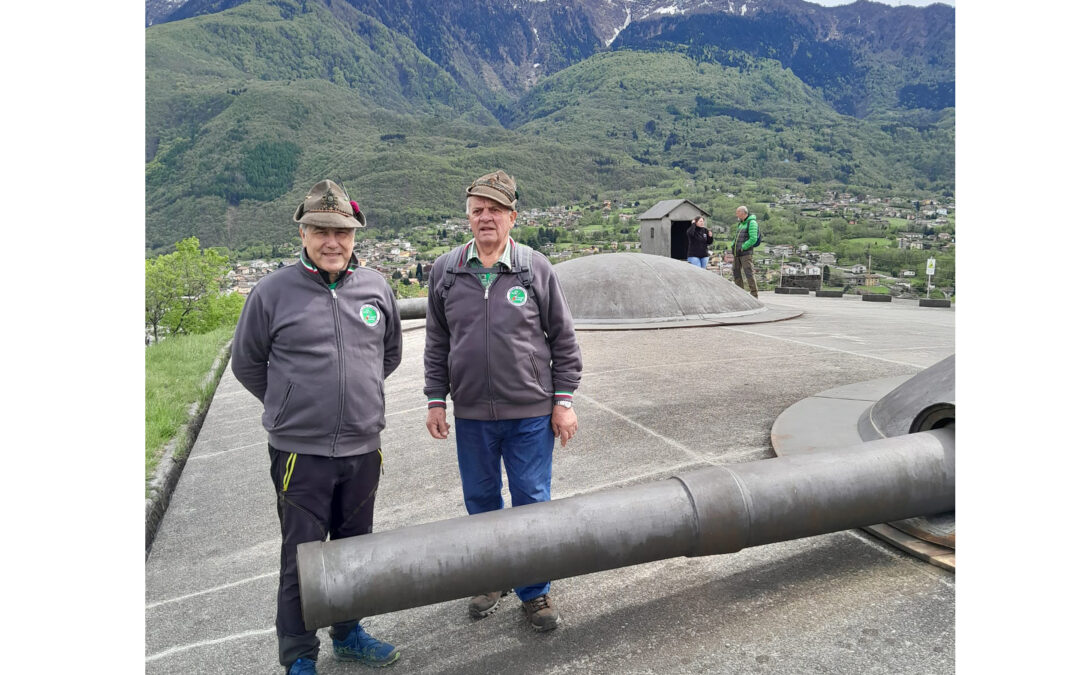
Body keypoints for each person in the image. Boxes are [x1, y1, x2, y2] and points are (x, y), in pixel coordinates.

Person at [231, 179, 403, 675]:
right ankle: (299, 658)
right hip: (299, 455)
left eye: (342, 232)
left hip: (362, 448)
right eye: (321, 230)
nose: (333, 241)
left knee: (354, 553)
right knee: (301, 560)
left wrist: (355, 399)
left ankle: (348, 634)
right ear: (303, 233)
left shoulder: (375, 287)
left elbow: (386, 355)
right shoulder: (271, 292)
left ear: (355, 236)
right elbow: (248, 364)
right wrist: (291, 407)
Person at [423, 169, 583, 632]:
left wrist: (563, 401)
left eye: (495, 210)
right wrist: (436, 400)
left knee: (532, 502)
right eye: (478, 210)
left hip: (531, 413)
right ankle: (492, 577)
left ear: (513, 216)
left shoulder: (535, 268)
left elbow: (564, 341)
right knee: (481, 499)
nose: (486, 217)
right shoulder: (446, 271)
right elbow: (437, 343)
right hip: (471, 414)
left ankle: (535, 592)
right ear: (468, 218)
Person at [731, 205, 760, 297]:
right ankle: (740, 294)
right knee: (736, 272)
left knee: (749, 273)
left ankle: (754, 295)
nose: (736, 214)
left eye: (738, 212)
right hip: (737, 253)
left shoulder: (752, 223)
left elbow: (753, 239)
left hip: (746, 253)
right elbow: (736, 237)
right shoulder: (741, 223)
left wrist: (743, 247)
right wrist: (732, 245)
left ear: (743, 213)